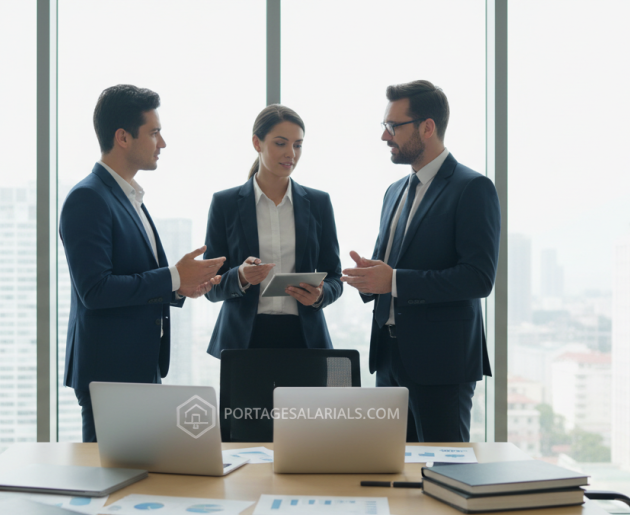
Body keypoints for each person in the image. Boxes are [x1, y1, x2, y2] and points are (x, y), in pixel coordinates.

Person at [60, 84, 225, 442]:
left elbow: (136, 279)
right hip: (110, 376)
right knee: (111, 486)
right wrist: (172, 276)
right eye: (154, 133)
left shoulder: (129, 196)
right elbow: (95, 290)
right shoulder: (88, 198)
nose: (162, 143)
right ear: (122, 137)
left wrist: (180, 286)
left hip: (137, 369)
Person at [341, 81, 500, 442]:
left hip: (441, 365)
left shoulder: (472, 188)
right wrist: (367, 277)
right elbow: (388, 266)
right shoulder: (394, 191)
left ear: (427, 127)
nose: (385, 136)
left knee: (444, 475)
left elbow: (478, 278)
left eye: (393, 126)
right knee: (390, 474)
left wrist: (394, 281)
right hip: (387, 360)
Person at [203, 105, 343, 356]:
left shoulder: (319, 203)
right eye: (281, 143)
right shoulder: (225, 204)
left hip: (305, 339)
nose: (291, 153)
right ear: (257, 143)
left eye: (298, 145)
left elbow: (334, 277)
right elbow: (209, 287)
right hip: (243, 342)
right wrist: (241, 277)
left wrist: (320, 295)